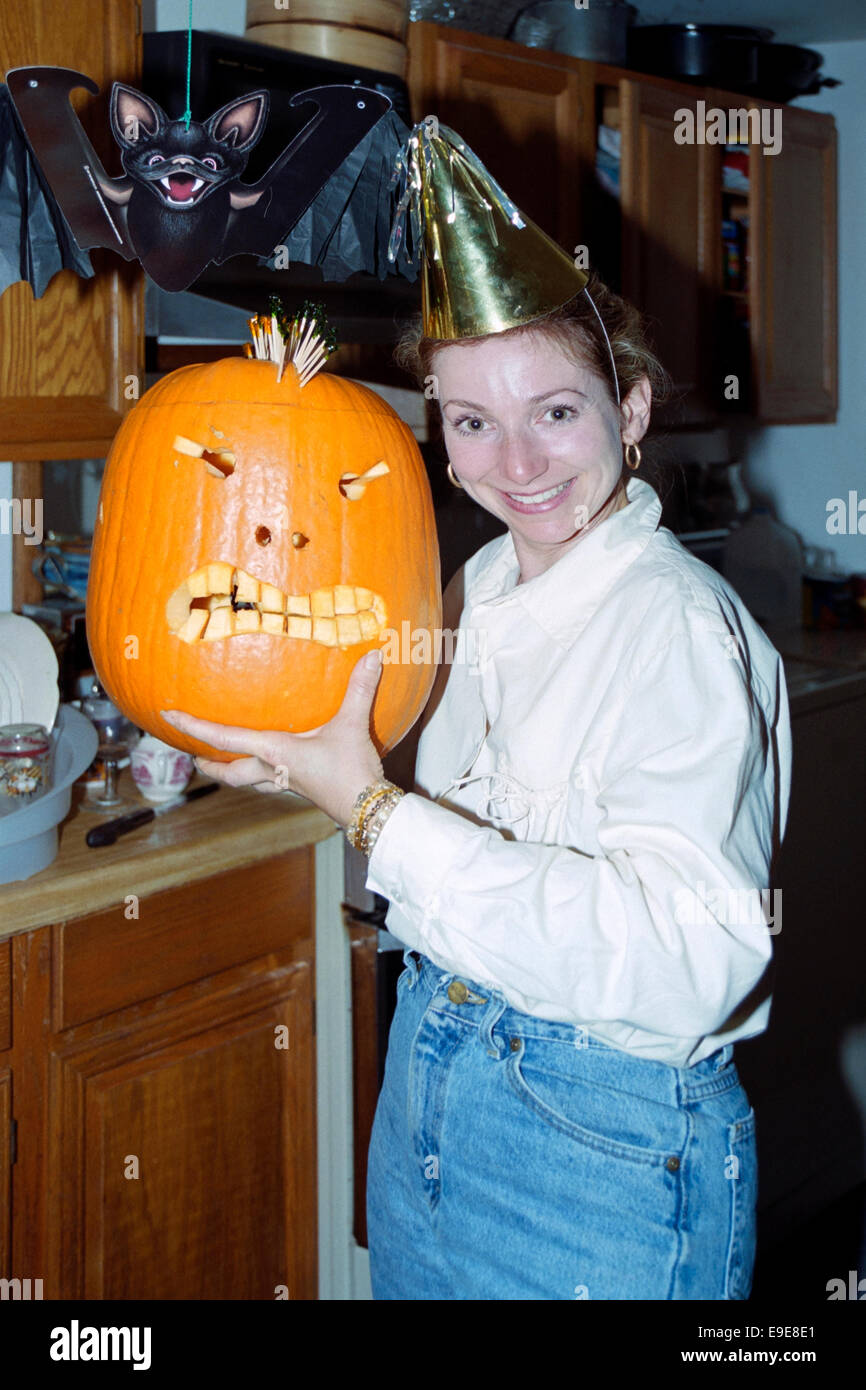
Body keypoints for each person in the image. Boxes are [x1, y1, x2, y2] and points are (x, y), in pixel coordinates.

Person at [162, 124, 791, 1301]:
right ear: (437, 442)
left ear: (634, 409)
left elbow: (687, 960)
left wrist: (370, 812)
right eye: (468, 422)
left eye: (555, 411)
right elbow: (415, 785)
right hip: (432, 1092)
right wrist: (290, 753)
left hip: (602, 1150)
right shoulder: (477, 588)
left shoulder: (675, 630)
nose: (516, 460)